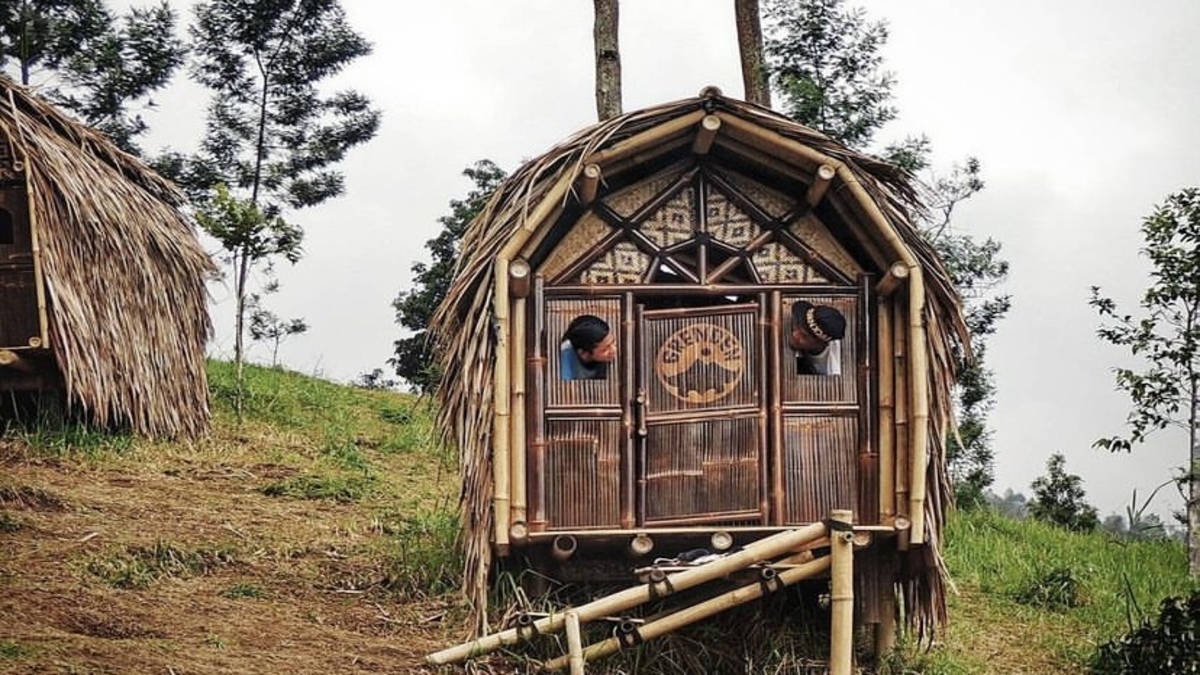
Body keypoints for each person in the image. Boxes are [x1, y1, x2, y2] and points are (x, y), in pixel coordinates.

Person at [789, 300, 846, 376]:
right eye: (797, 325)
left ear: (820, 344)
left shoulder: (832, 369)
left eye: (804, 336)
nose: (794, 334)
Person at [560, 314, 617, 380]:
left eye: (613, 342)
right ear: (584, 354)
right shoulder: (566, 368)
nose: (613, 349)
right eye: (604, 350)